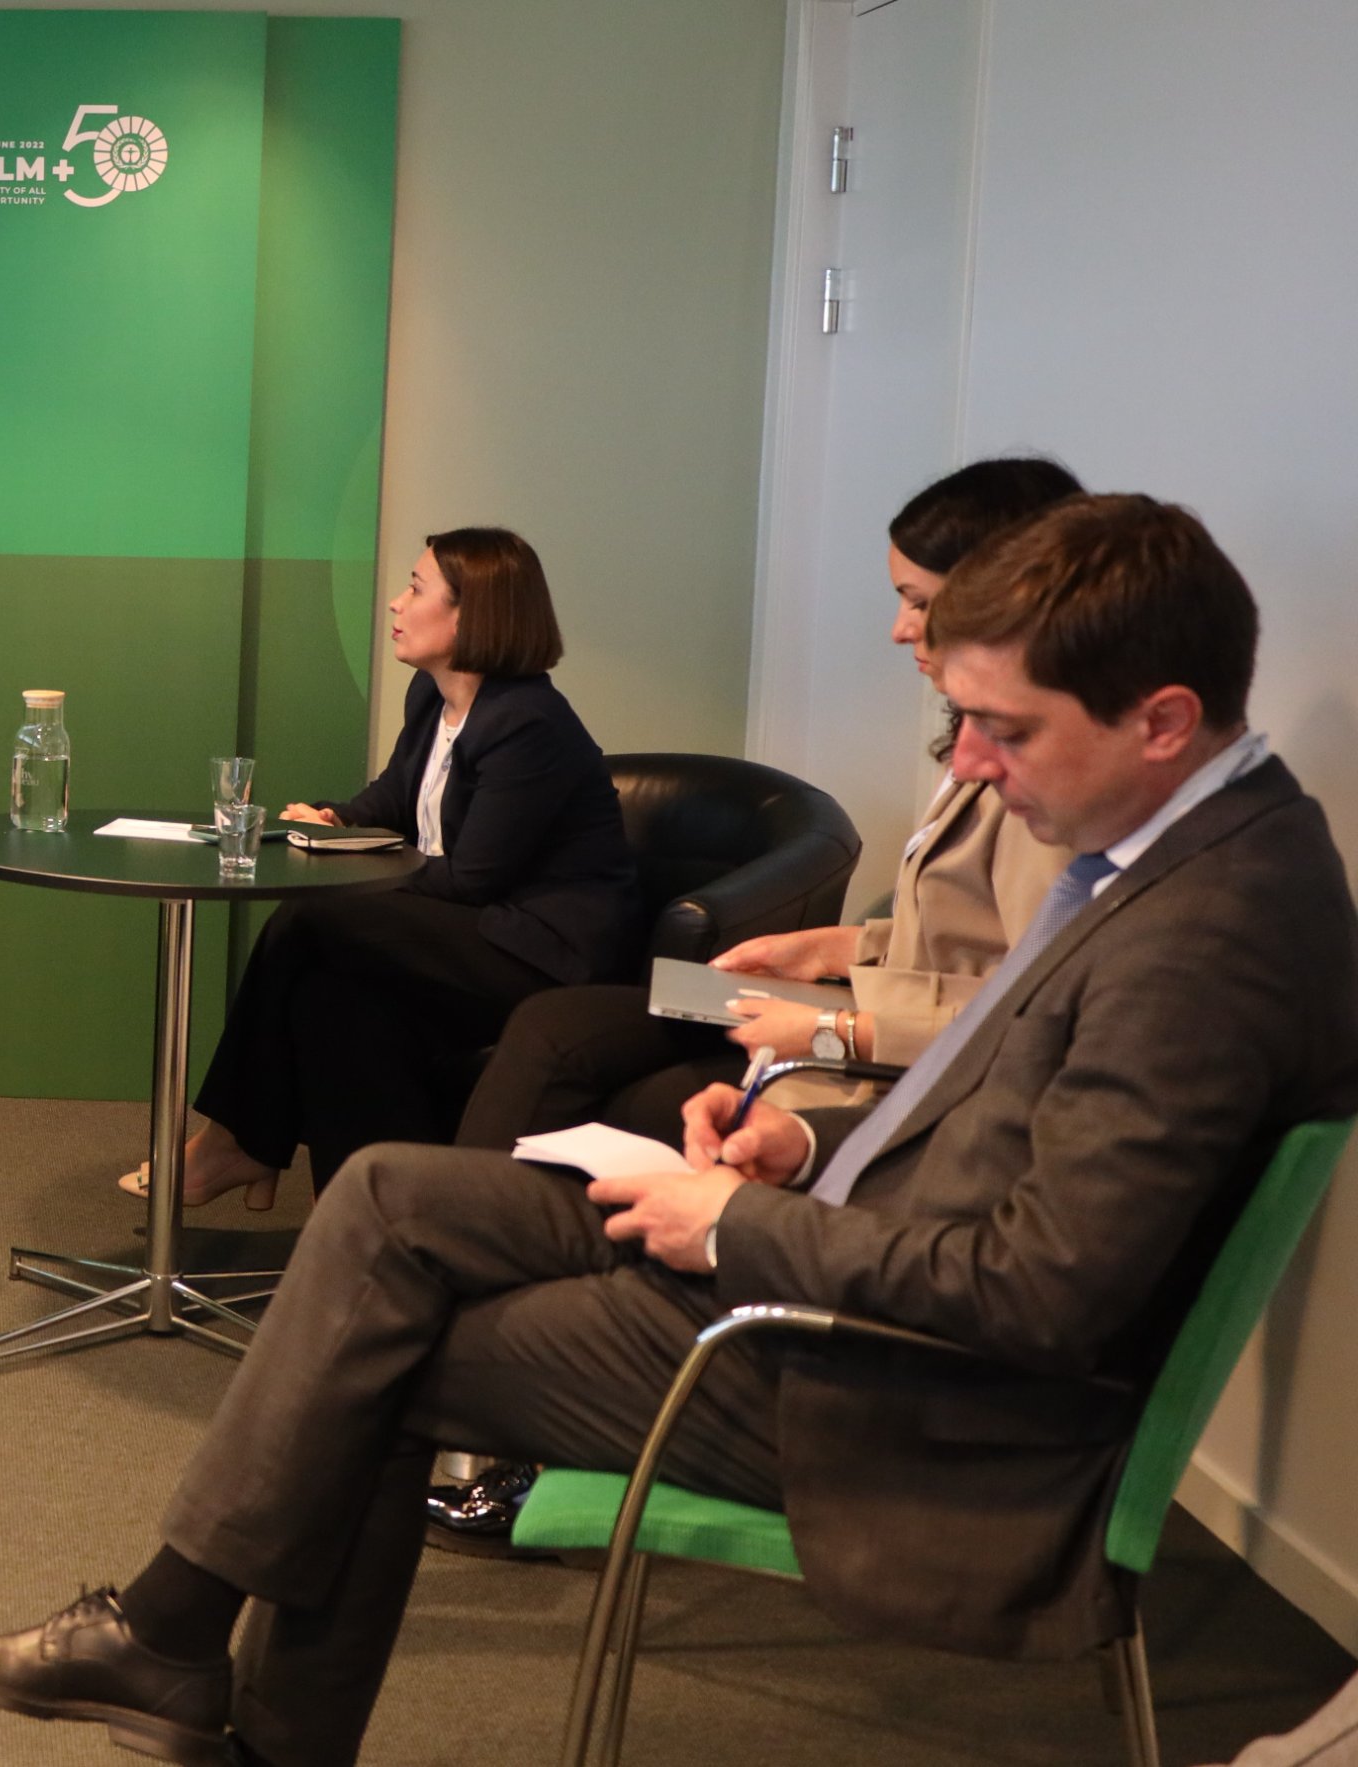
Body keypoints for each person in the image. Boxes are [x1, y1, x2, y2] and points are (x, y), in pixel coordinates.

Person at [0, 495, 1358, 1767]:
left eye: (1006, 728)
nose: (968, 762)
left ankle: (198, 1669)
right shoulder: (1173, 854)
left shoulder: (1207, 937)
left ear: (1162, 719)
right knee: (392, 1199)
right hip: (840, 1245)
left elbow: (1042, 1292)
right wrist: (802, 1151)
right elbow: (1007, 1101)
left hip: (901, 1394)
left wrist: (736, 1223)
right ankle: (168, 1643)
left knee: (371, 1353)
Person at [439, 456, 1081, 1546]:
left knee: (618, 1088)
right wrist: (835, 944)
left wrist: (833, 1022)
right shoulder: (983, 739)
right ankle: (493, 1336)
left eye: (916, 601)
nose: (898, 629)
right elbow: (955, 942)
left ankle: (505, 1359)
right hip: (847, 1028)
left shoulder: (1044, 778)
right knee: (569, 1038)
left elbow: (1023, 1003)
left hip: (876, 1074)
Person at [119, 527, 638, 1208]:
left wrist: (345, 862)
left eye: (416, 589)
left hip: (538, 951)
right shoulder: (433, 698)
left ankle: (237, 1140)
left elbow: (473, 879)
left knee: (311, 916)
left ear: (471, 615)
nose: (396, 602)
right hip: (473, 931)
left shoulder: (528, 723)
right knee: (330, 999)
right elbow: (394, 797)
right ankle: (367, 1214)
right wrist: (335, 819)